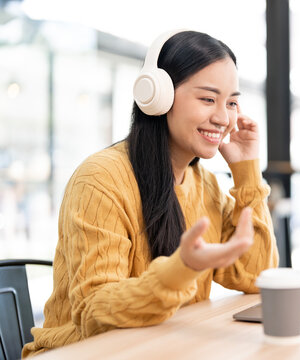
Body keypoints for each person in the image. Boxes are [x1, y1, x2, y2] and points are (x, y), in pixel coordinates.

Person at [22, 30, 278, 357]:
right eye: (208, 99)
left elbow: (256, 276)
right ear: (158, 96)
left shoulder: (206, 186)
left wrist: (246, 172)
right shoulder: (102, 179)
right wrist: (180, 268)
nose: (224, 118)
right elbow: (94, 313)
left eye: (231, 103)